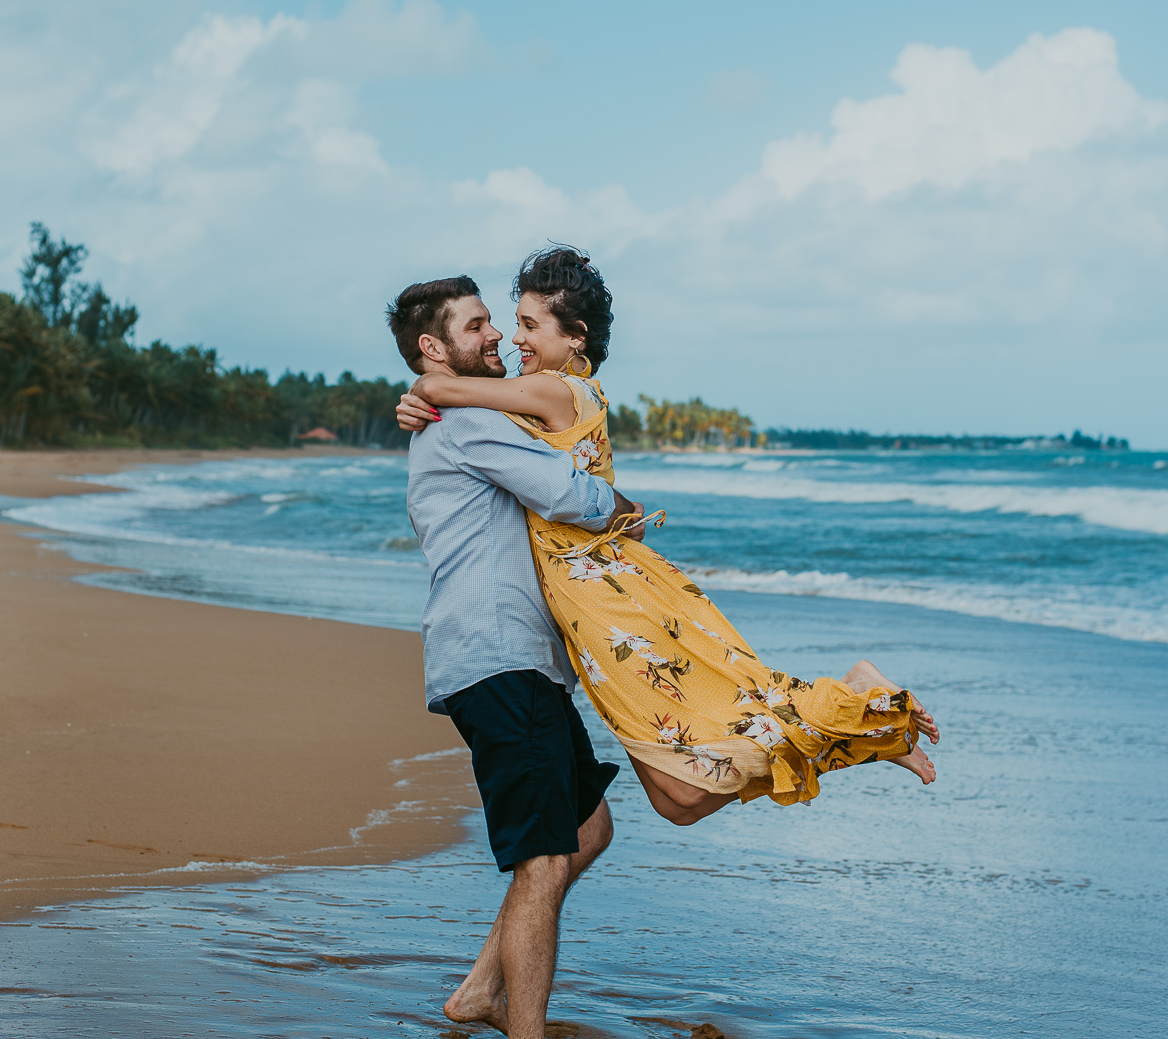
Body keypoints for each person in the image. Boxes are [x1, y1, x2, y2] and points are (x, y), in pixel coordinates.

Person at [396, 248, 940, 831]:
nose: (511, 337)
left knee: (688, 774)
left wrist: (421, 391)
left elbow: (451, 394)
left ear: (575, 337)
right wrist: (423, 395)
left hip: (597, 589)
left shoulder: (557, 392)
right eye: (504, 324)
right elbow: (469, 411)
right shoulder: (540, 397)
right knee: (676, 800)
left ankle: (855, 702)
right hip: (585, 595)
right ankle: (865, 728)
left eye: (528, 325)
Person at [386, 274, 648, 1039]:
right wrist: (623, 507)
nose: (495, 334)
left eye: (500, 320)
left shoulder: (464, 411)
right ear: (434, 349)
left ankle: (478, 988)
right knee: (542, 855)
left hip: (518, 663)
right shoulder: (465, 421)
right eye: (477, 325)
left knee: (586, 828)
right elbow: (568, 494)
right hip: (496, 661)